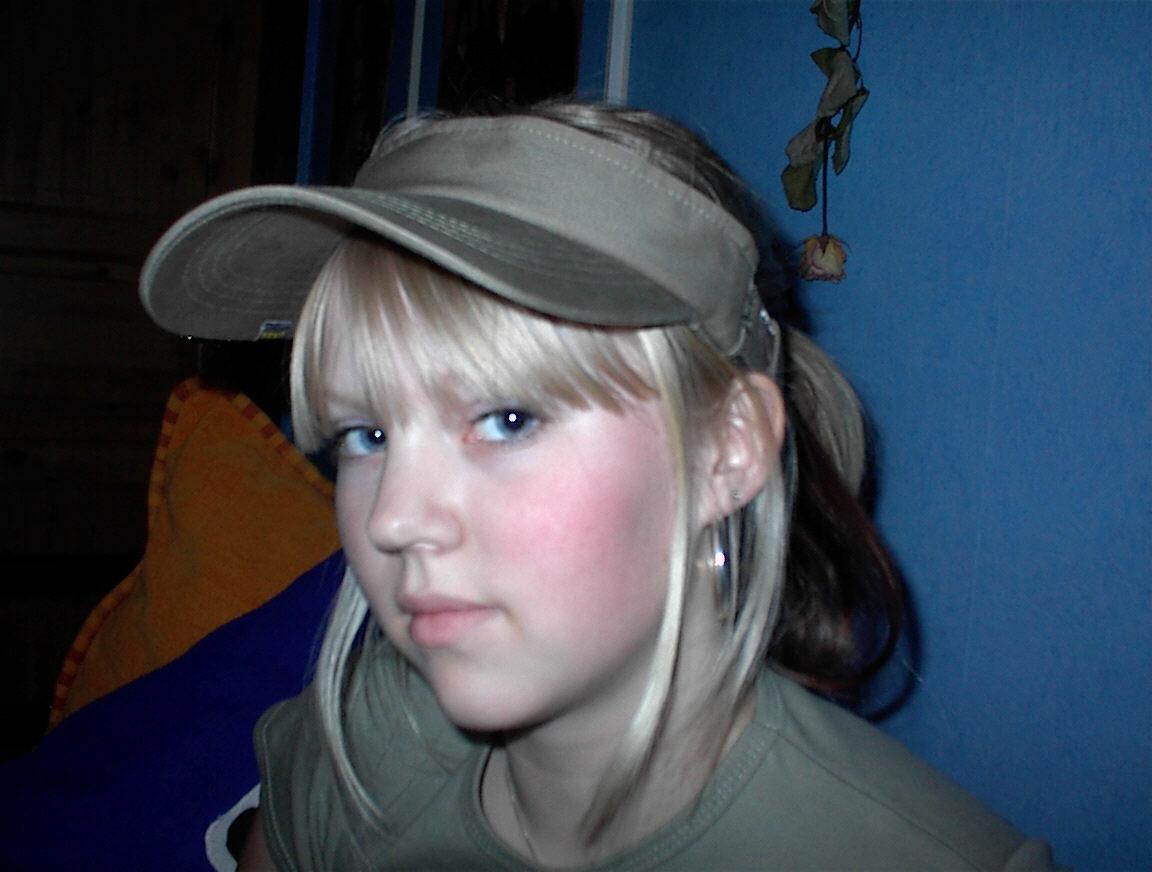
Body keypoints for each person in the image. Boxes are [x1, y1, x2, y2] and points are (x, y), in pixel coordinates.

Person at [141, 101, 1055, 870]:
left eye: (508, 418)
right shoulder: (358, 743)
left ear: (727, 450)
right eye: (366, 435)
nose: (392, 519)